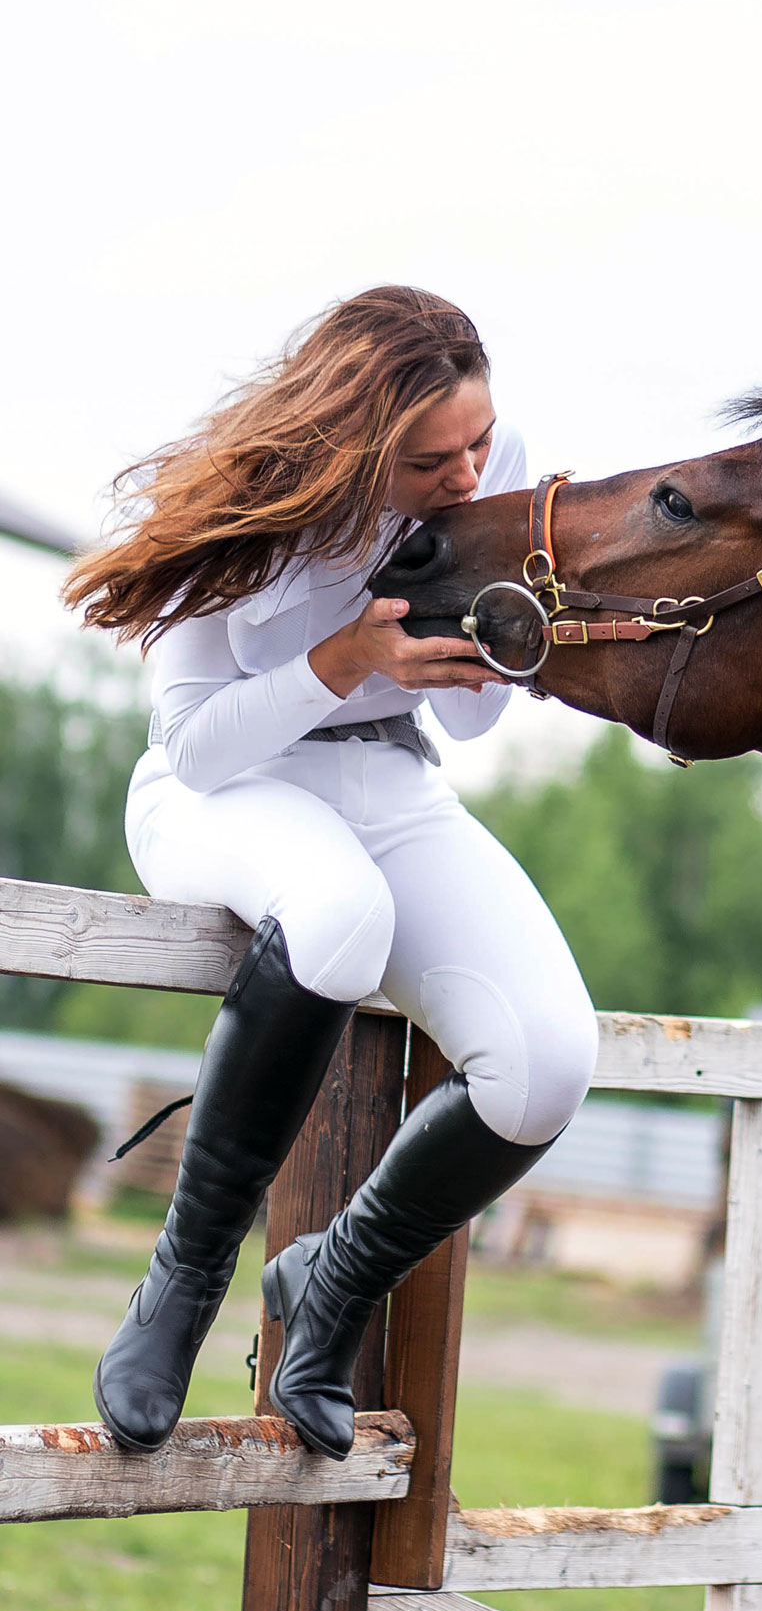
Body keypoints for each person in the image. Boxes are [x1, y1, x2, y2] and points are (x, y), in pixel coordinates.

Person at [67, 285, 597, 1459]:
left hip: (389, 779)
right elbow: (194, 747)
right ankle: (182, 1284)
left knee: (548, 1062)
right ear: (356, 445)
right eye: (430, 462)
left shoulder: (488, 469)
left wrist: (503, 645)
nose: (466, 476)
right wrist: (346, 657)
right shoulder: (235, 501)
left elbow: (467, 727)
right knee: (339, 912)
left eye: (476, 444)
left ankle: (332, 1281)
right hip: (221, 791)